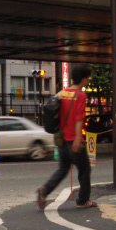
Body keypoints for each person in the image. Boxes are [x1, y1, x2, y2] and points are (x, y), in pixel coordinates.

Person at [37, 64, 97, 210]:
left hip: (61, 139)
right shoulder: (81, 96)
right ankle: (83, 200)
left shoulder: (62, 93)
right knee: (84, 169)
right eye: (87, 78)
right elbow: (78, 119)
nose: (88, 81)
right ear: (83, 79)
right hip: (73, 140)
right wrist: (77, 138)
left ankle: (45, 190)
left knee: (63, 169)